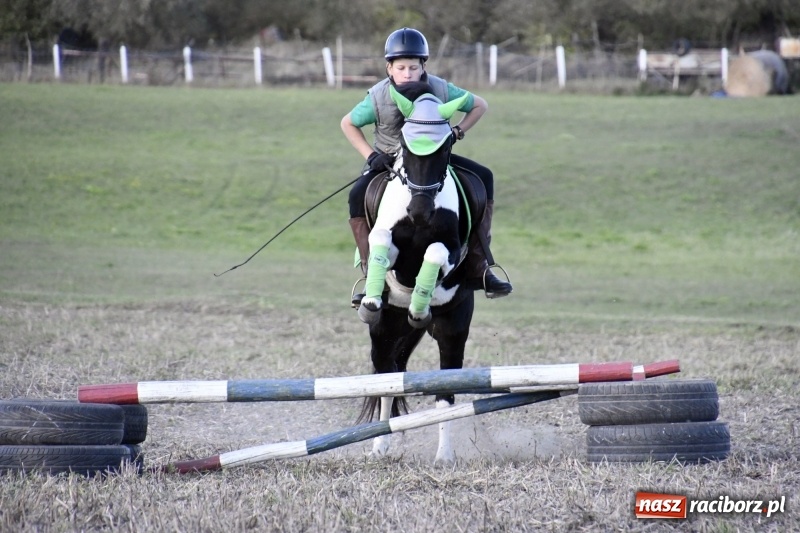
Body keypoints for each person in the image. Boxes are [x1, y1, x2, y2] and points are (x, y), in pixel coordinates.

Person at [340, 27, 512, 303]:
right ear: (389, 68)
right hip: (388, 163)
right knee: (356, 195)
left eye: (413, 67)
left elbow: (479, 105)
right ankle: (369, 271)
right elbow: (347, 123)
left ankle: (479, 266)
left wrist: (456, 132)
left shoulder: (441, 88)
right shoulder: (378, 96)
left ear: (423, 67)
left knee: (484, 177)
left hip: (431, 162)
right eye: (401, 67)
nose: (407, 73)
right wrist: (371, 157)